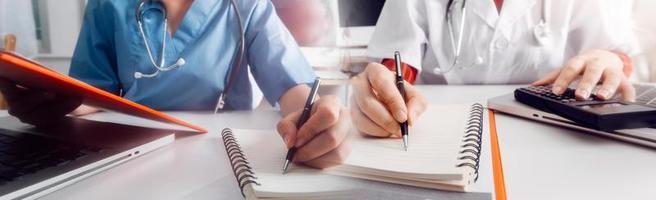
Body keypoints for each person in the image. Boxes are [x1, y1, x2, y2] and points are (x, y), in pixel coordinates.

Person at [0, 0, 350, 169]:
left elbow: (292, 88)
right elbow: (94, 92)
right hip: (128, 154)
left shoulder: (248, 5)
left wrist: (314, 119)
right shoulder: (108, 5)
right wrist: (54, 102)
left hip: (226, 154)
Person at [351, 0, 639, 137]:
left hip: (557, 130)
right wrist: (382, 88)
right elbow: (397, 64)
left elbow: (619, 54)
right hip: (441, 129)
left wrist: (611, 61)